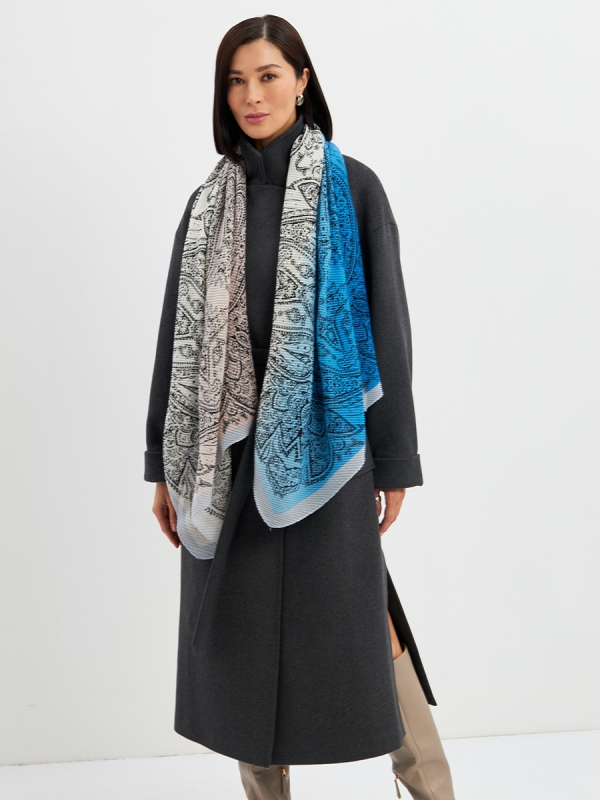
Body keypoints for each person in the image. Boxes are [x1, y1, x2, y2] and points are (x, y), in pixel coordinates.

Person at [144, 14, 455, 800]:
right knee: (241, 644)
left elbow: (387, 329)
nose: (252, 95)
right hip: (225, 457)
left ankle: (431, 787)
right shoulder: (207, 204)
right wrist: (159, 466)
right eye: (236, 81)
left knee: (367, 622)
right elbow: (177, 341)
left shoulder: (354, 188)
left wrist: (395, 459)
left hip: (331, 445)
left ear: (302, 81)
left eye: (268, 76)